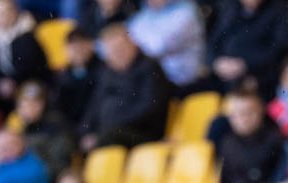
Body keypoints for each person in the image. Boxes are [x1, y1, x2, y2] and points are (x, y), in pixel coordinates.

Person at [79, 22, 173, 152]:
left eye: (121, 48)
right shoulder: (107, 75)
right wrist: (86, 133)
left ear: (132, 45)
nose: (118, 54)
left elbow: (151, 108)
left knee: (107, 138)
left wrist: (112, 126)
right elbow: (93, 108)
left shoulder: (149, 68)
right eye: (113, 51)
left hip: (145, 134)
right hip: (110, 132)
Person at [216, 88, 288, 183]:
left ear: (261, 112)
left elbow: (278, 180)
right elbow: (224, 182)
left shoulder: (276, 140)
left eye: (249, 112)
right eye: (238, 113)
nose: (244, 118)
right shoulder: (227, 142)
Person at [211, 0, 288, 95]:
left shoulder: (278, 10)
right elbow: (213, 41)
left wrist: (245, 64)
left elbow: (278, 48)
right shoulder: (229, 7)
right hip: (221, 70)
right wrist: (216, 62)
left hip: (258, 74)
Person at [0, 0, 50, 116]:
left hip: (31, 81)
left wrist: (13, 81)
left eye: (6, 12)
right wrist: (0, 80)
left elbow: (31, 65)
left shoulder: (27, 34)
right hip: (6, 85)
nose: (3, 17)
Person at [128, 0, 205, 92]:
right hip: (157, 83)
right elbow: (128, 35)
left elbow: (158, 47)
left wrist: (135, 44)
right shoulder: (145, 13)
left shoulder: (186, 10)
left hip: (189, 83)